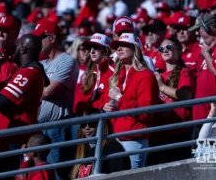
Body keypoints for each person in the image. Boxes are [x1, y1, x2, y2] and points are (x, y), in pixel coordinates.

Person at [0, 34, 49, 174]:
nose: (14, 51)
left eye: (17, 47)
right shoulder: (21, 71)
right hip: (7, 138)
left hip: (19, 141)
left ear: (23, 49)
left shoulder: (29, 73)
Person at [103, 33, 159, 169]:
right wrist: (107, 107)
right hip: (115, 138)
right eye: (117, 46)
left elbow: (146, 113)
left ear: (136, 49)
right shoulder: (118, 75)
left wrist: (120, 99)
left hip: (134, 139)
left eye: (125, 45)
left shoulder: (146, 75)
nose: (119, 48)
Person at [32, 19, 78, 179]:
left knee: (57, 174)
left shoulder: (67, 61)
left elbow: (48, 91)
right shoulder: (42, 63)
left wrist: (28, 92)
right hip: (37, 127)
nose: (36, 42)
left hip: (56, 127)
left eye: (40, 38)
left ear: (51, 38)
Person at [148, 38, 195, 165]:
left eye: (169, 47)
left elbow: (185, 95)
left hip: (178, 132)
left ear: (179, 51)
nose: (165, 50)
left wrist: (162, 87)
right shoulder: (158, 75)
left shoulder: (185, 71)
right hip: (158, 134)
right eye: (161, 49)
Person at [70, 108, 130, 179]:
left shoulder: (113, 147)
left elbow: (120, 176)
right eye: (83, 124)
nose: (87, 127)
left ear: (103, 125)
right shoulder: (82, 149)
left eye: (92, 123)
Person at [73, 33, 114, 116]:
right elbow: (82, 97)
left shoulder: (113, 70)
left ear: (106, 50)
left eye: (96, 47)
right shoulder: (91, 71)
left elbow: (108, 103)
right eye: (90, 48)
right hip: (84, 118)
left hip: (102, 120)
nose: (92, 51)